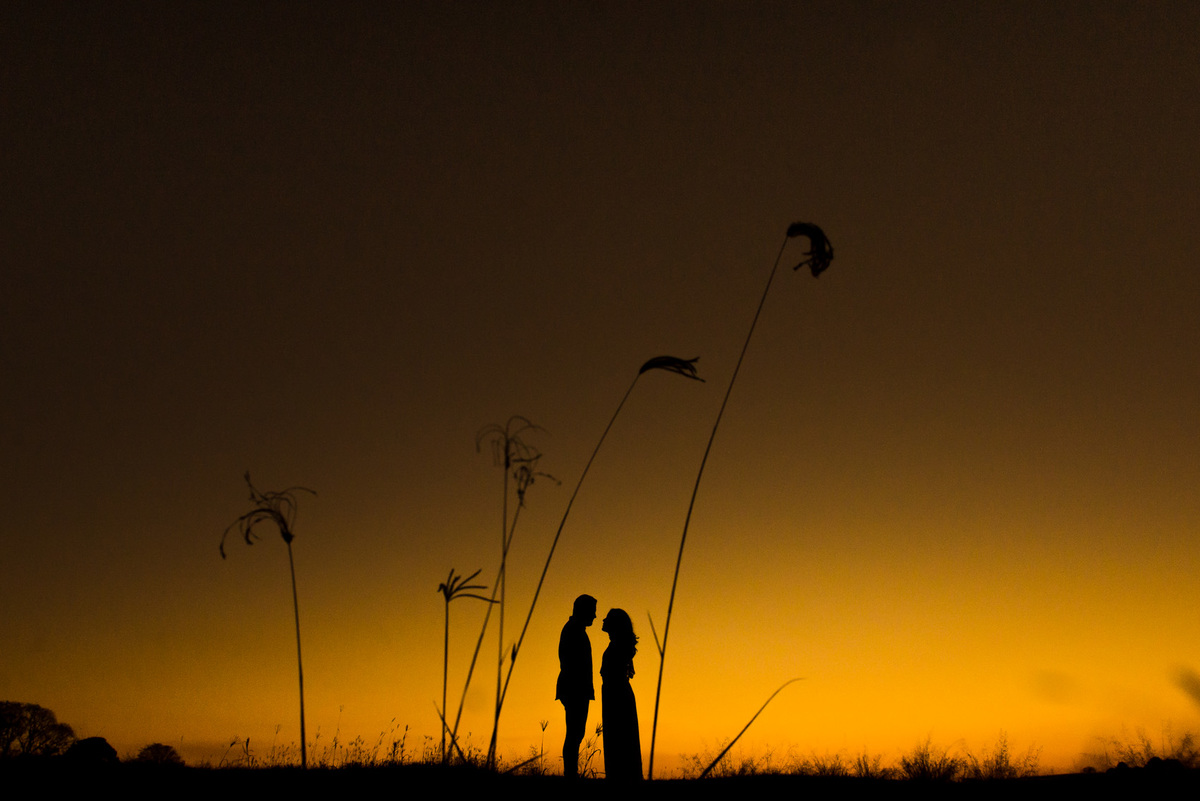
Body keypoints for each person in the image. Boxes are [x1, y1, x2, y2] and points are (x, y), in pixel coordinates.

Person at [556, 594, 596, 778]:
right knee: (574, 732)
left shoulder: (576, 629)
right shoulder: (573, 630)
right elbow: (570, 661)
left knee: (575, 732)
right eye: (592, 611)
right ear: (583, 610)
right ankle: (570, 774)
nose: (595, 616)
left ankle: (571, 772)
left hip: (575, 688)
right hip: (575, 689)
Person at [600, 608, 642, 781]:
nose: (603, 621)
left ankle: (620, 777)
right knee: (619, 737)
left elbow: (611, 672)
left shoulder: (617, 646)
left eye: (607, 619)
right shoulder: (619, 644)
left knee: (619, 738)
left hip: (616, 694)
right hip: (616, 693)